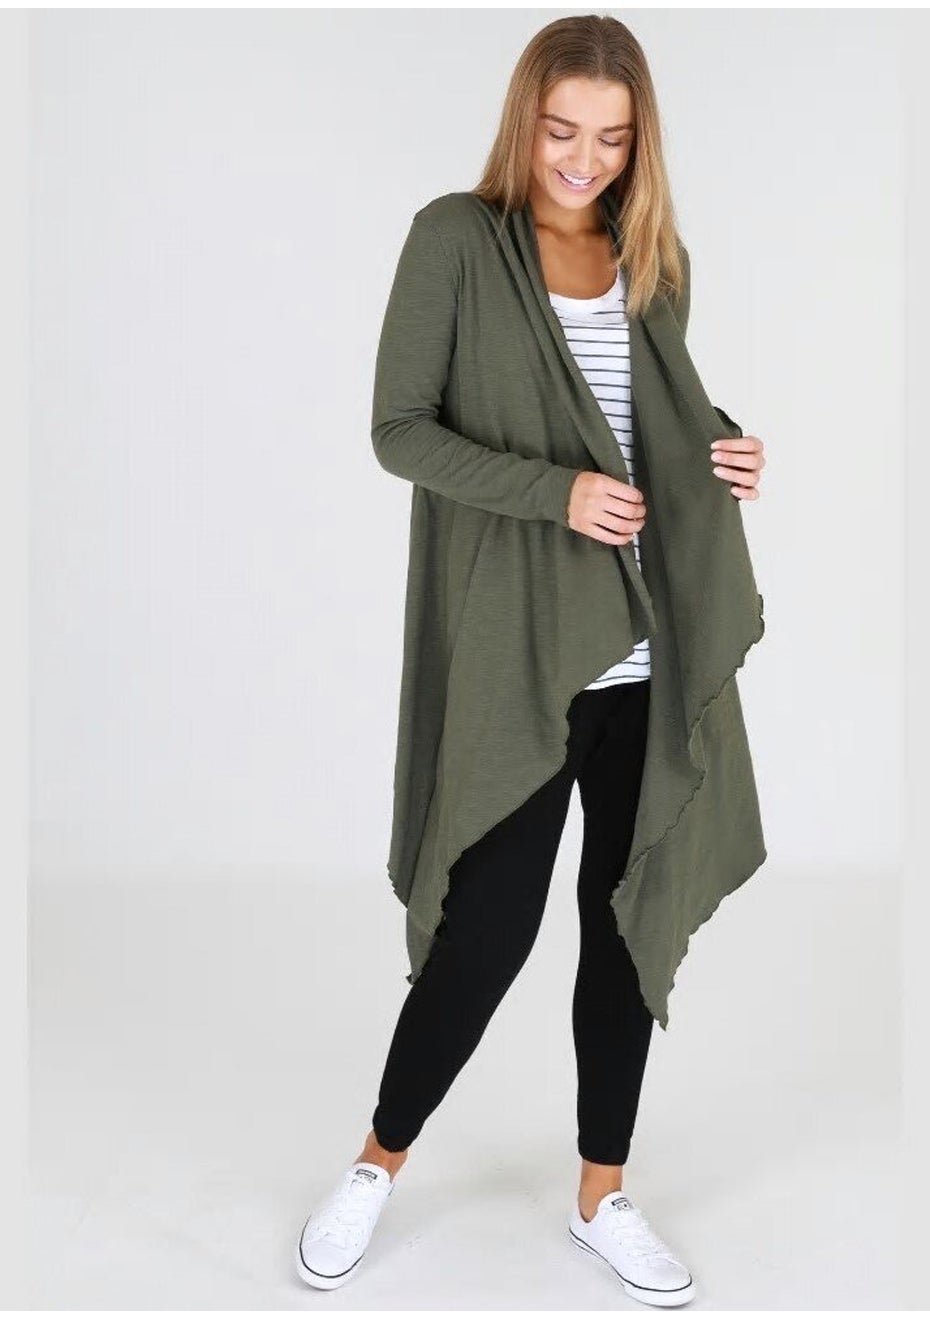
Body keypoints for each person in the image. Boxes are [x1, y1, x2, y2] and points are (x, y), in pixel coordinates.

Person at [295, 13, 766, 1307]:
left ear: (637, 142)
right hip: (522, 650)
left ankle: (602, 1194)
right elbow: (400, 431)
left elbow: (649, 420)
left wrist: (727, 446)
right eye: (561, 130)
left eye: (610, 140)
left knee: (621, 928)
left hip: (647, 647)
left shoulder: (650, 254)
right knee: (485, 933)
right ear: (524, 118)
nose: (582, 160)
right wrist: (553, 494)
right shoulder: (457, 238)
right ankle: (377, 1163)